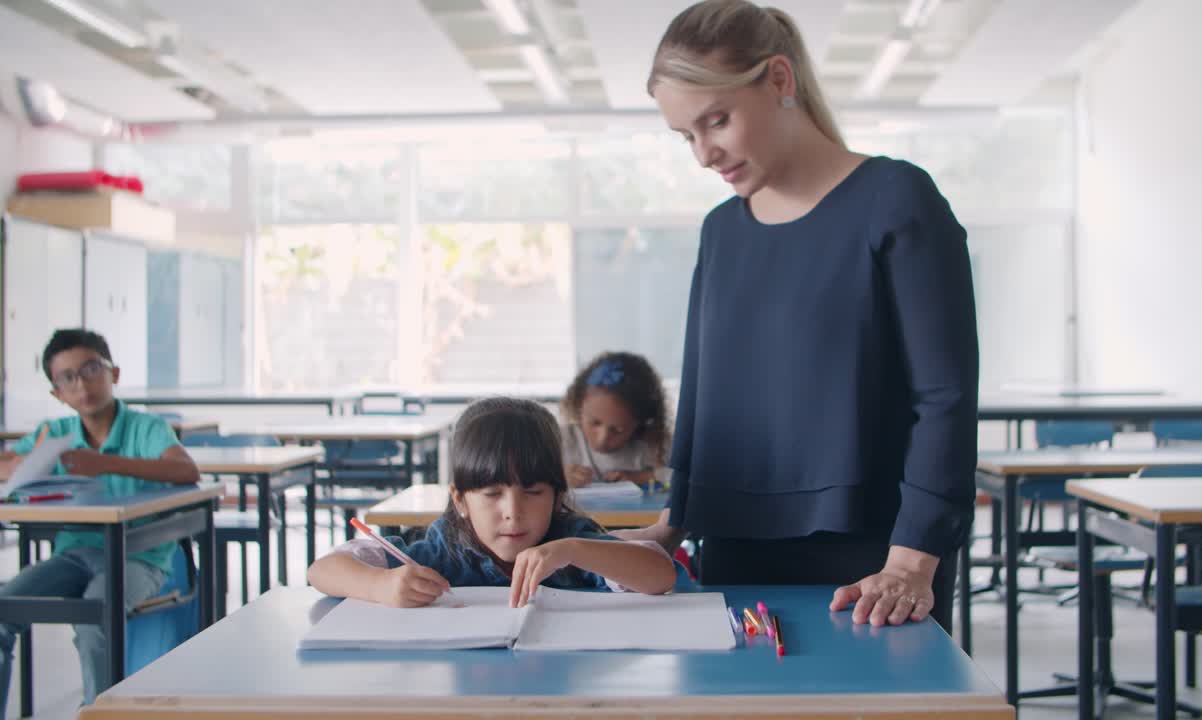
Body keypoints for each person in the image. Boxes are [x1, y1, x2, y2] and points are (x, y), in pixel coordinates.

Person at [616, 0, 979, 634]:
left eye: (717, 120)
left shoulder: (895, 199)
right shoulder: (721, 230)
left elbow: (945, 397)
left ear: (780, 80)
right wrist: (674, 523)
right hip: (731, 542)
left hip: (874, 560)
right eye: (686, 136)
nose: (704, 153)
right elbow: (705, 393)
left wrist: (912, 560)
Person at [308, 397, 676, 609]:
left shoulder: (569, 538)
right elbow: (322, 570)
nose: (513, 510)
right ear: (460, 499)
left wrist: (574, 550)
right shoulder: (444, 549)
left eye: (533, 492)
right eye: (491, 493)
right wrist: (380, 586)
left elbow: (661, 573)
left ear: (557, 494)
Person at [0, 328, 200, 711]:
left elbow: (185, 470)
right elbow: (10, 466)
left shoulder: (147, 427)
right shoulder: (54, 433)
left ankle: (98, 713)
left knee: (96, 616)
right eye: (67, 378)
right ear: (57, 393)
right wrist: (22, 463)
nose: (82, 384)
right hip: (76, 554)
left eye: (91, 369)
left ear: (114, 373)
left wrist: (103, 463)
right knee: (4, 609)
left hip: (140, 555)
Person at [559, 352, 672, 489]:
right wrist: (559, 478)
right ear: (579, 407)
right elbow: (530, 479)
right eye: (594, 423)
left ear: (641, 423)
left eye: (618, 430)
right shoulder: (562, 441)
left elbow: (680, 479)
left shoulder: (653, 445)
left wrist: (644, 477)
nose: (602, 439)